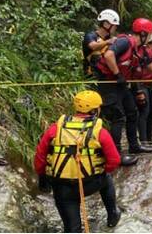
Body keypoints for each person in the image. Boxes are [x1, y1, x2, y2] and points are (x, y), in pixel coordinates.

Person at [34, 90, 122, 232]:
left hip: (62, 186)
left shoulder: (55, 129)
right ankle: (112, 214)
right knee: (107, 178)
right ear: (94, 110)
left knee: (72, 228)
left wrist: (42, 177)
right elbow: (114, 160)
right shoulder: (100, 132)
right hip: (91, 182)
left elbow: (40, 157)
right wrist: (102, 169)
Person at [94, 18, 152, 165]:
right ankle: (116, 155)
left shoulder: (141, 49)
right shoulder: (125, 41)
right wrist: (118, 74)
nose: (150, 38)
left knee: (132, 112)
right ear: (143, 34)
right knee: (118, 118)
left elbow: (149, 64)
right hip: (109, 83)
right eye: (149, 35)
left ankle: (134, 146)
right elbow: (108, 55)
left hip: (121, 84)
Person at [82, 9, 119, 78]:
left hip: (104, 76)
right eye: (114, 25)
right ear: (105, 24)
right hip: (91, 78)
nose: (116, 27)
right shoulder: (91, 35)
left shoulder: (109, 38)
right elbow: (93, 46)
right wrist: (108, 42)